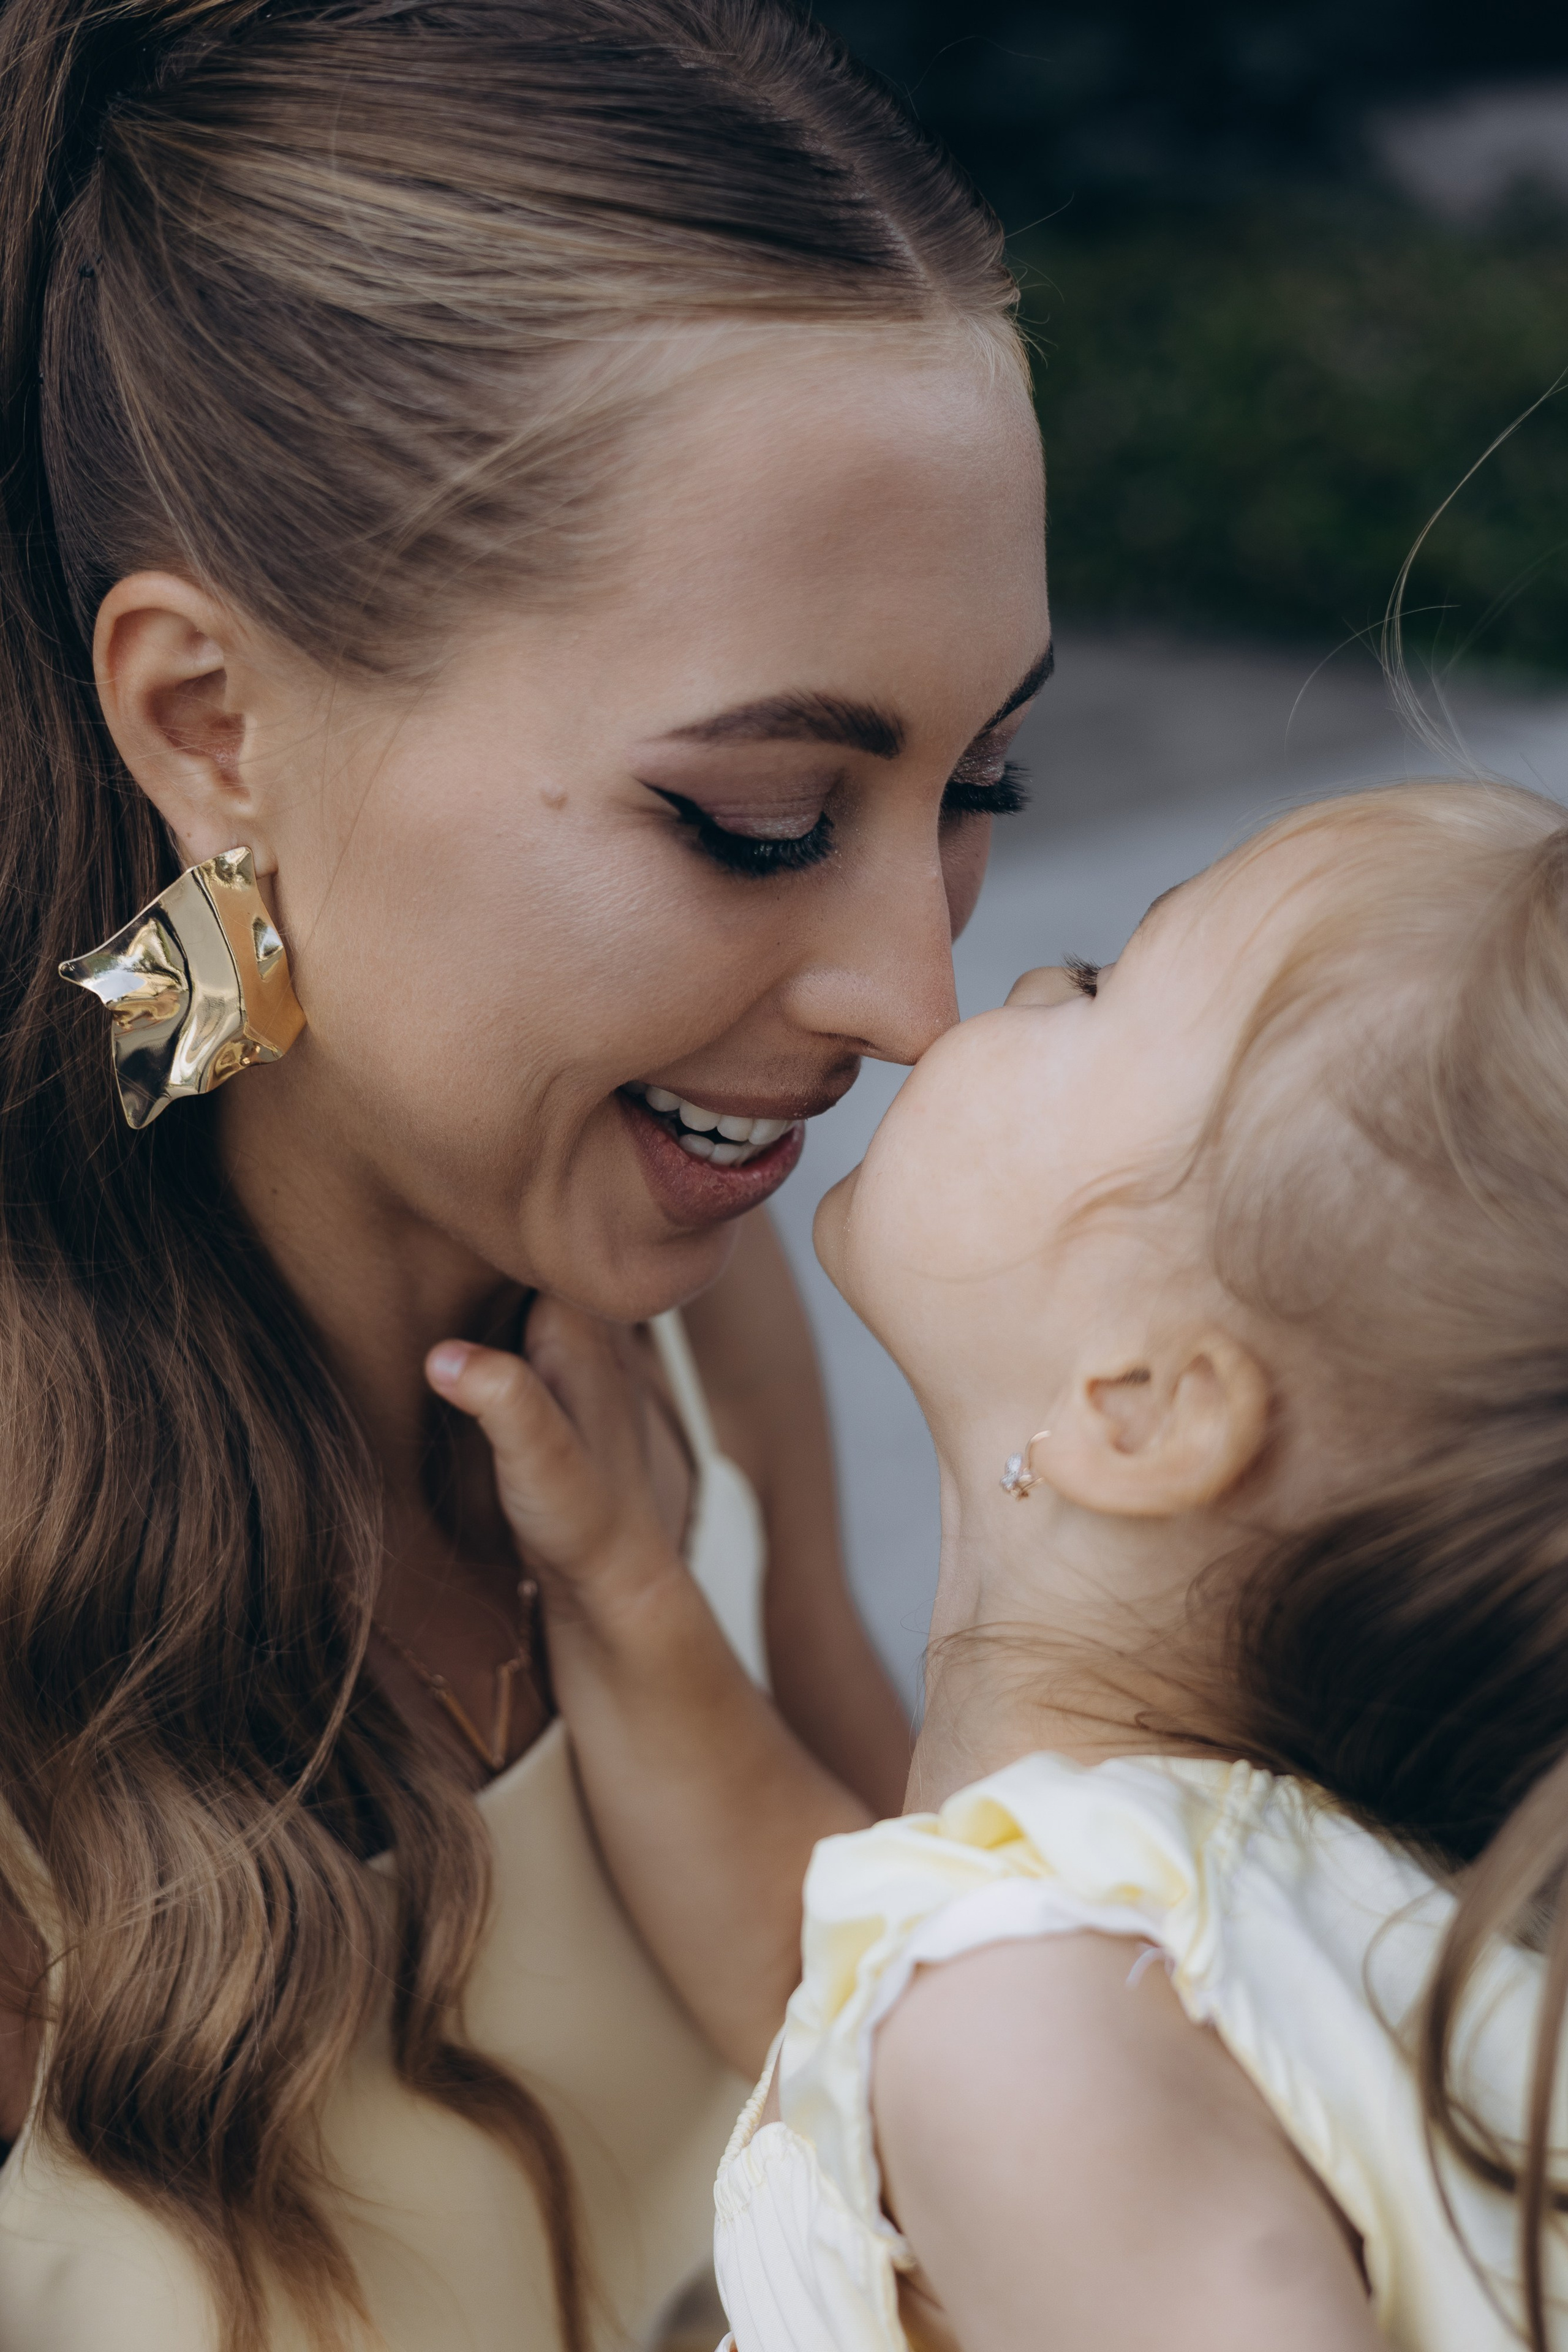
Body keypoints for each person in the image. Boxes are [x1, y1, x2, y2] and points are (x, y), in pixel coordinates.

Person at [0, 1, 1050, 2345]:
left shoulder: (693, 1310)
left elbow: (950, 2097)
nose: (921, 1000)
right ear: (211, 724)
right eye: (762, 819)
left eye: (983, 788)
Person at [467, 778, 1568, 2352]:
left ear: (1141, 1405)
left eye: (1104, 987)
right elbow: (807, 1980)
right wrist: (626, 1591)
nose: (1022, 981)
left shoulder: (1030, 2028)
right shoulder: (1141, 1929)